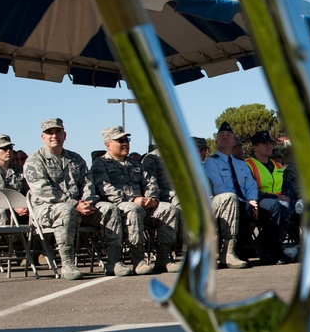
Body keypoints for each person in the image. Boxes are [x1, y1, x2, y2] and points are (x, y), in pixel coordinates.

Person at [25, 117, 127, 280]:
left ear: (64, 135)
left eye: (57, 132)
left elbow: (88, 183)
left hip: (81, 207)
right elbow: (43, 191)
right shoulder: (34, 161)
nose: (54, 136)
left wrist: (87, 202)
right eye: (49, 133)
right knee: (66, 210)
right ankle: (68, 264)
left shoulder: (76, 159)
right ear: (42, 137)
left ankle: (114, 261)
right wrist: (74, 204)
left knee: (110, 209)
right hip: (46, 209)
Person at [90, 125, 182, 275]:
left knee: (169, 209)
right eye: (120, 140)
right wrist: (132, 199)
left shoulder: (136, 164)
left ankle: (163, 258)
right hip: (119, 208)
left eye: (127, 139)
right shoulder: (100, 164)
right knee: (133, 209)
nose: (125, 143)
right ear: (108, 145)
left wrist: (152, 198)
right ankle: (137, 259)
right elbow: (104, 189)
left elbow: (150, 182)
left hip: (143, 205)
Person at [195, 134, 248, 268]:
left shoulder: (205, 166)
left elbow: (217, 187)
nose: (202, 153)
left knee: (230, 197)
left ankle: (228, 251)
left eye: (203, 150)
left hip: (209, 202)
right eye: (198, 150)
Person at [245, 130, 295, 263]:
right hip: (261, 201)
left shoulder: (278, 166)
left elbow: (287, 187)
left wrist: (287, 196)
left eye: (270, 143)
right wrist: (276, 198)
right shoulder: (248, 165)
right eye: (264, 143)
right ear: (255, 147)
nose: (269, 146)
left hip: (282, 201)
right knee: (280, 206)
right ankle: (274, 250)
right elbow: (250, 189)